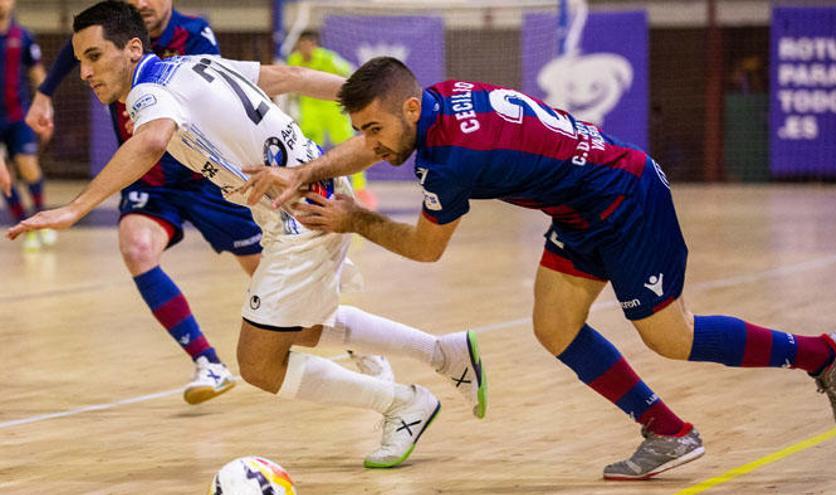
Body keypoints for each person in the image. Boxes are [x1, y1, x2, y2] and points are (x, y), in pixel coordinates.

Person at [245, 57, 836, 480]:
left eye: (375, 130)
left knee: (670, 337)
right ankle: (668, 432)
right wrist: (305, 172)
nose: (370, 145)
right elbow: (378, 141)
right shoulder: (439, 100)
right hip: (582, 208)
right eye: (360, 132)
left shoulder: (450, 161)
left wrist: (356, 219)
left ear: (409, 109)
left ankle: (823, 354)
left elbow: (426, 251)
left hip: (625, 199)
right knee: (554, 326)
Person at [8, 2, 487, 468]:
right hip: (306, 197)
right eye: (81, 60)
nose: (86, 72)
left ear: (133, 49)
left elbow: (152, 139)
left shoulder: (147, 91)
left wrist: (73, 207)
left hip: (299, 211)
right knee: (302, 326)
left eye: (94, 56)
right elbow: (289, 78)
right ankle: (442, 352)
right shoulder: (194, 64)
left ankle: (403, 404)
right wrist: (375, 99)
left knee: (259, 363)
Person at [25, 0, 388, 405]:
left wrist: (372, 99)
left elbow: (260, 85)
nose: (142, 2)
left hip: (214, 178)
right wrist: (43, 94)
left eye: (93, 57)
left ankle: (367, 346)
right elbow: (75, 56)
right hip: (151, 176)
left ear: (133, 46)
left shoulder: (192, 38)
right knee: (137, 247)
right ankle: (206, 360)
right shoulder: (101, 35)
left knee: (282, 302)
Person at [287, 30, 376, 209]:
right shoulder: (294, 60)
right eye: (301, 44)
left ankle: (360, 190)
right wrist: (292, 107)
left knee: (351, 148)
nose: (305, 48)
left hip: (333, 110)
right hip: (310, 112)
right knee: (307, 151)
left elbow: (350, 72)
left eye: (308, 44)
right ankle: (311, 188)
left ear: (314, 44)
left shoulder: (328, 59)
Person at [0, 0, 53, 251]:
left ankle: (39, 219)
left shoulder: (23, 37)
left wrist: (46, 107)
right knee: (3, 177)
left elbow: (37, 73)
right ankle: (24, 226)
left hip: (17, 117)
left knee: (29, 167)